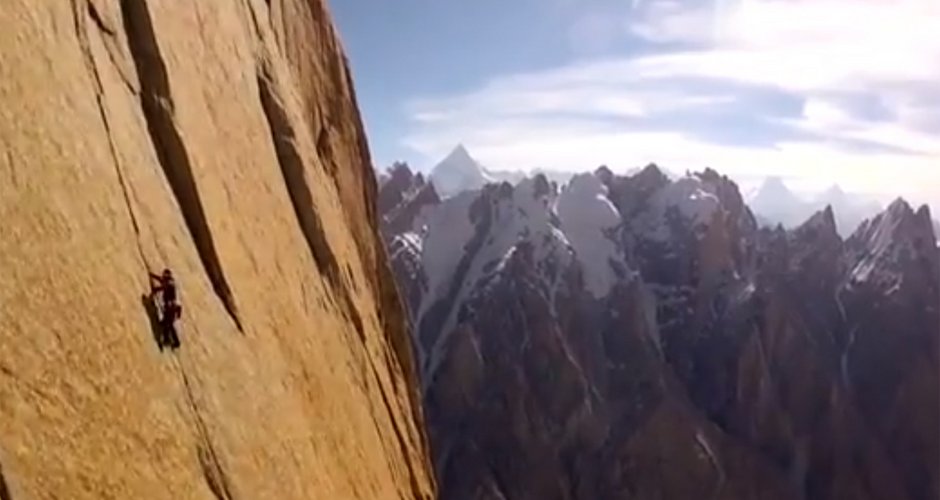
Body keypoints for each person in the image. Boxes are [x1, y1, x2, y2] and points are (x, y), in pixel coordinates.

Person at [149, 268, 182, 346]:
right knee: (167, 323)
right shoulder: (170, 282)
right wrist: (152, 275)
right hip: (172, 306)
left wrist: (154, 290)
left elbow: (161, 287)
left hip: (170, 307)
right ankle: (170, 340)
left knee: (168, 323)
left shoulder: (169, 284)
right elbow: (160, 280)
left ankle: (172, 341)